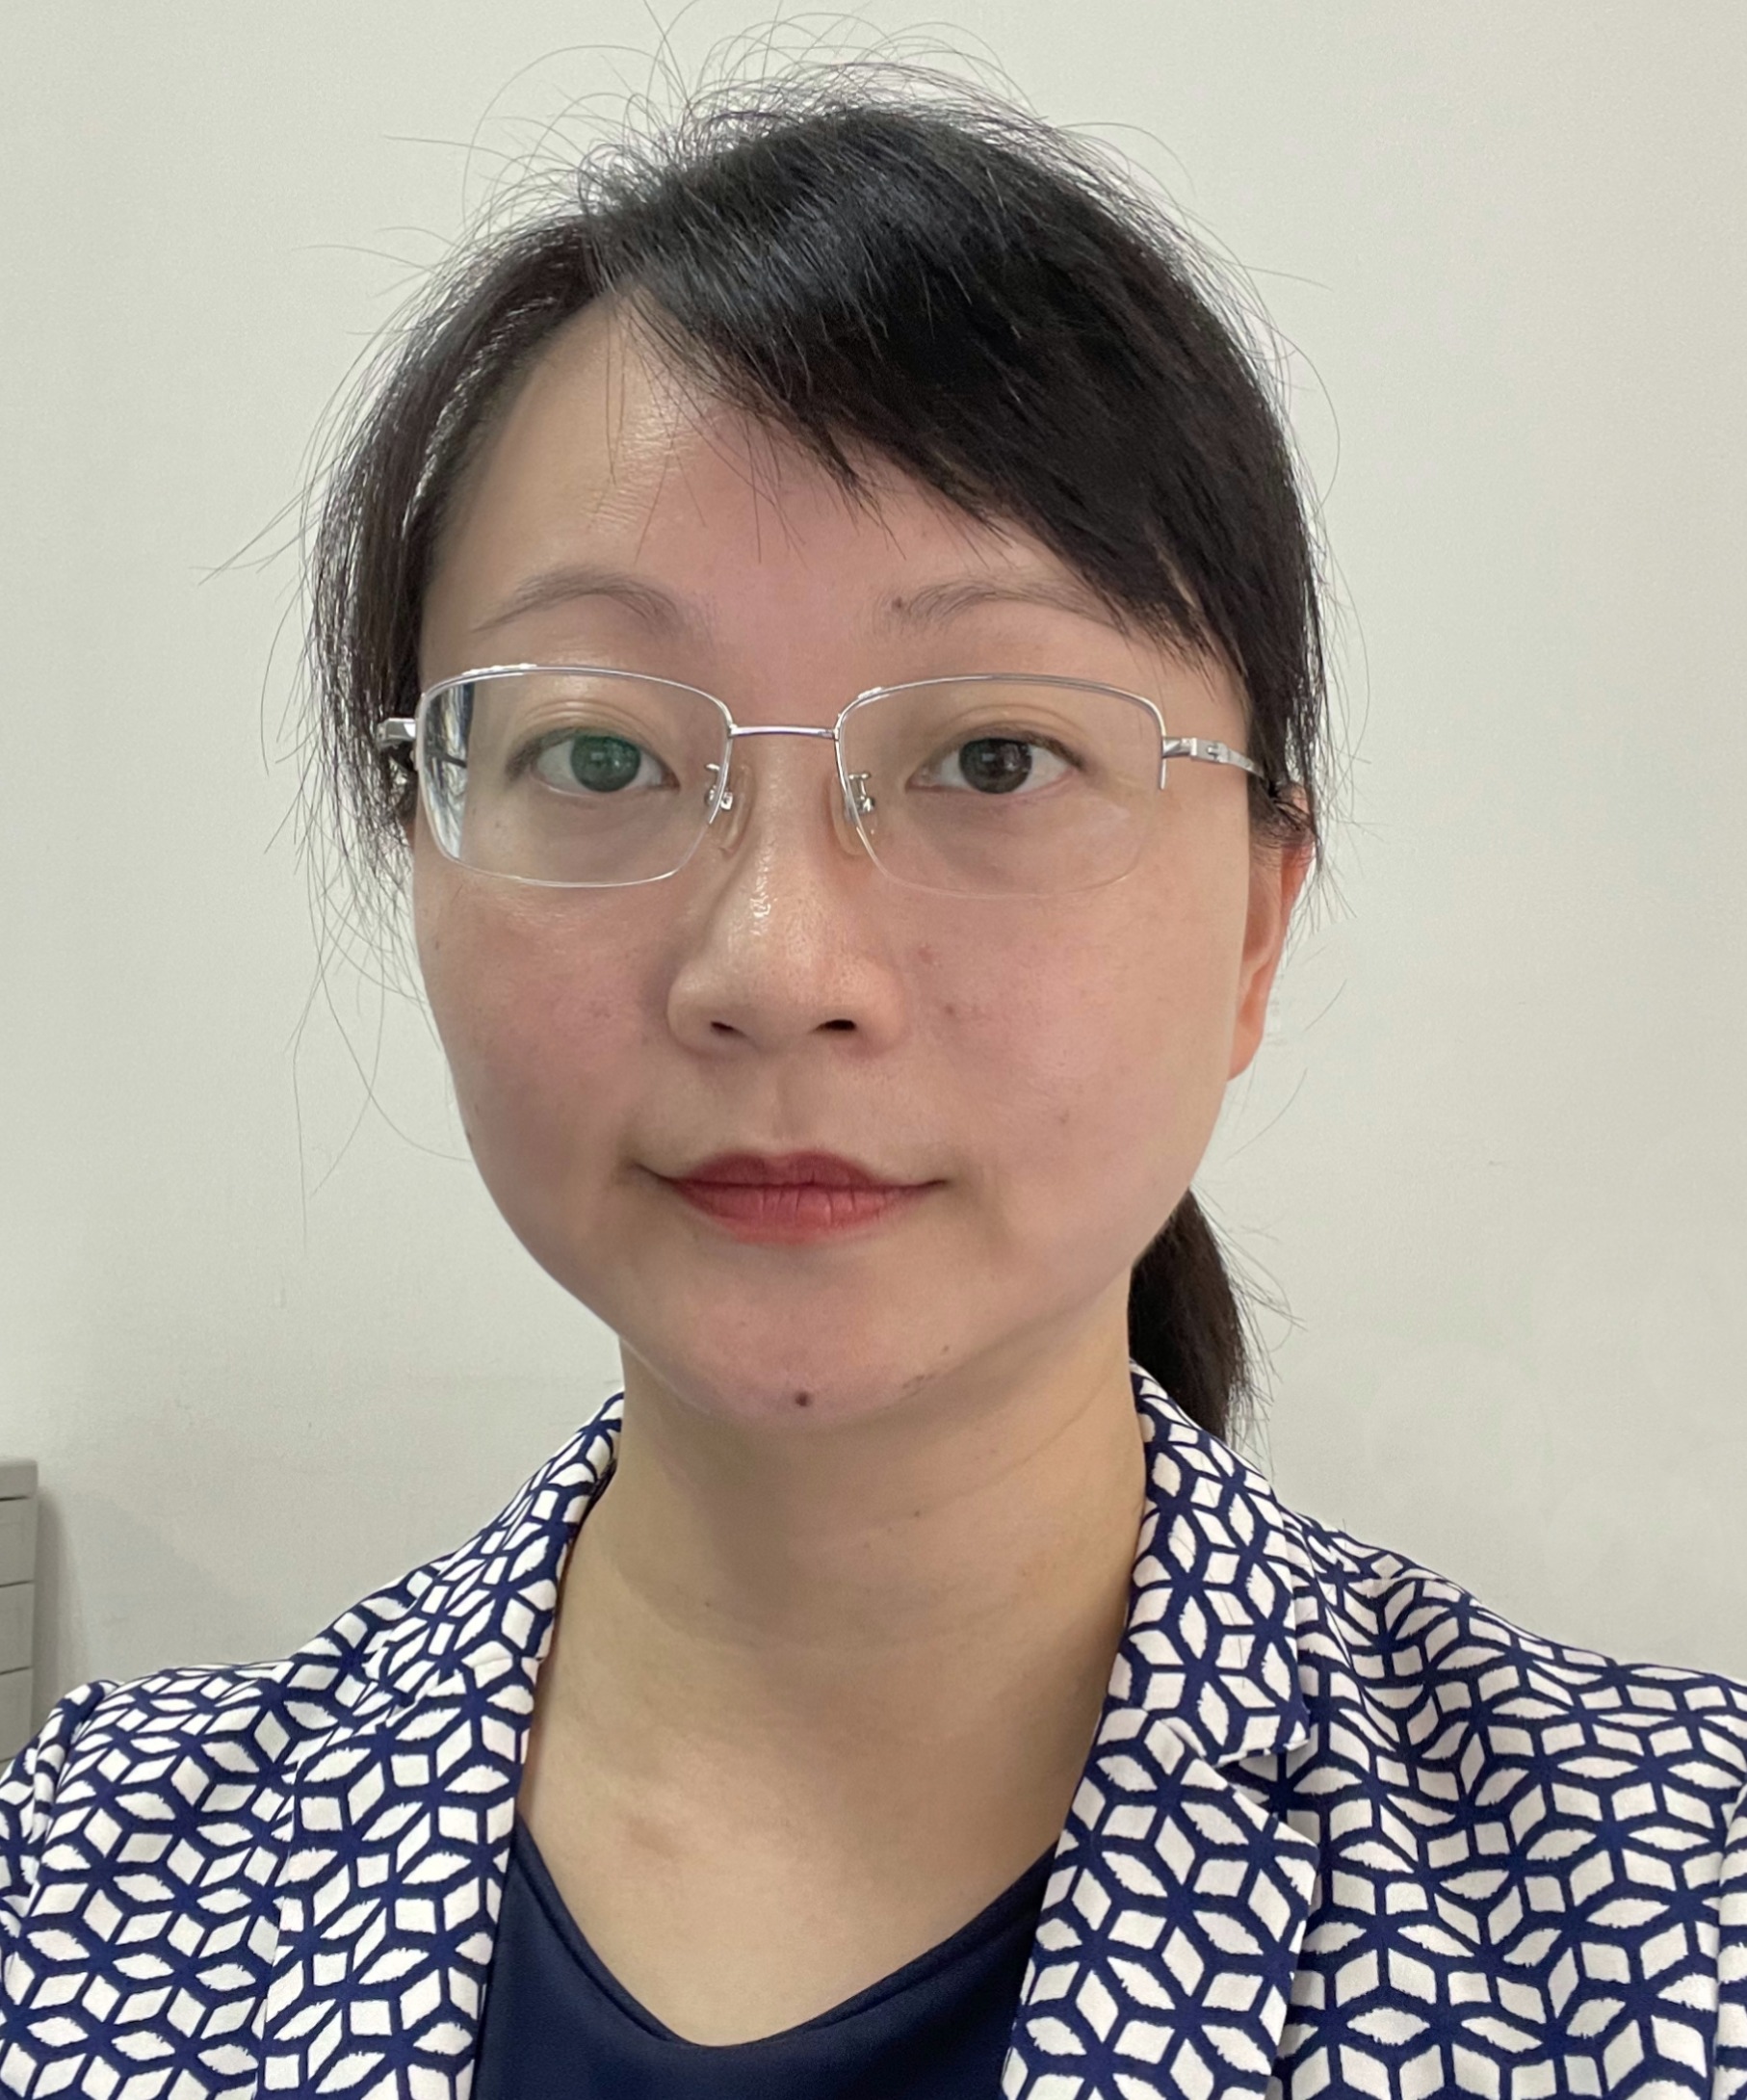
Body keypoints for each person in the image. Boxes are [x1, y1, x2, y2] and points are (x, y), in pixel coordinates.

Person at [3, 65, 1744, 2100]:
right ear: (422, 862)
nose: (776, 970)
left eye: (994, 756)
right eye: (596, 753)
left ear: (1255, 925)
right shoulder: (86, 1882)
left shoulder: (1670, 1917)